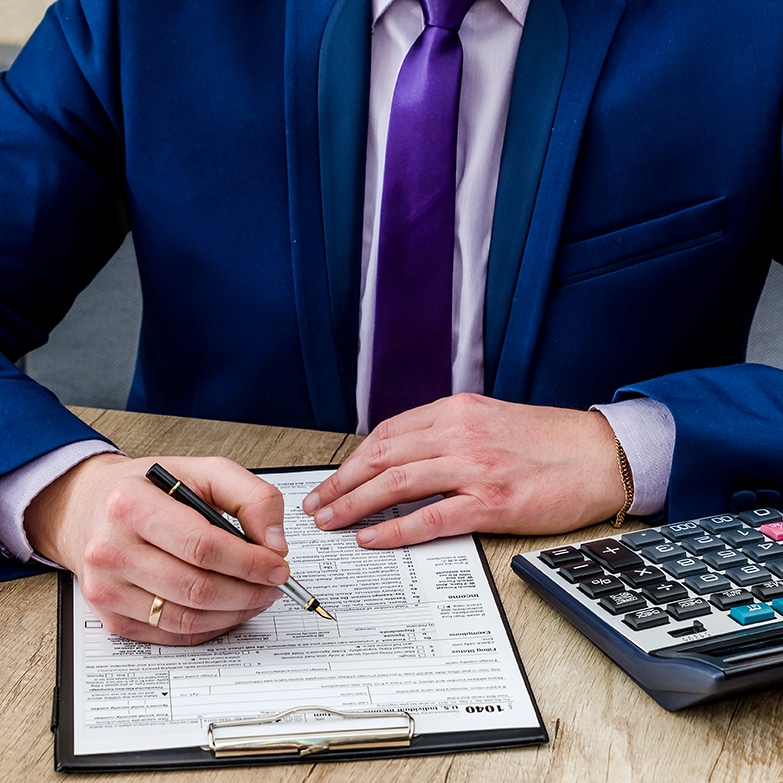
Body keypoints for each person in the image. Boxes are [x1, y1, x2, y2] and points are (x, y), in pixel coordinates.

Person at [1, 0, 782, 645]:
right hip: (224, 619)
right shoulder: (140, 15)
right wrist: (63, 494)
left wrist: (628, 446)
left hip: (626, 601)